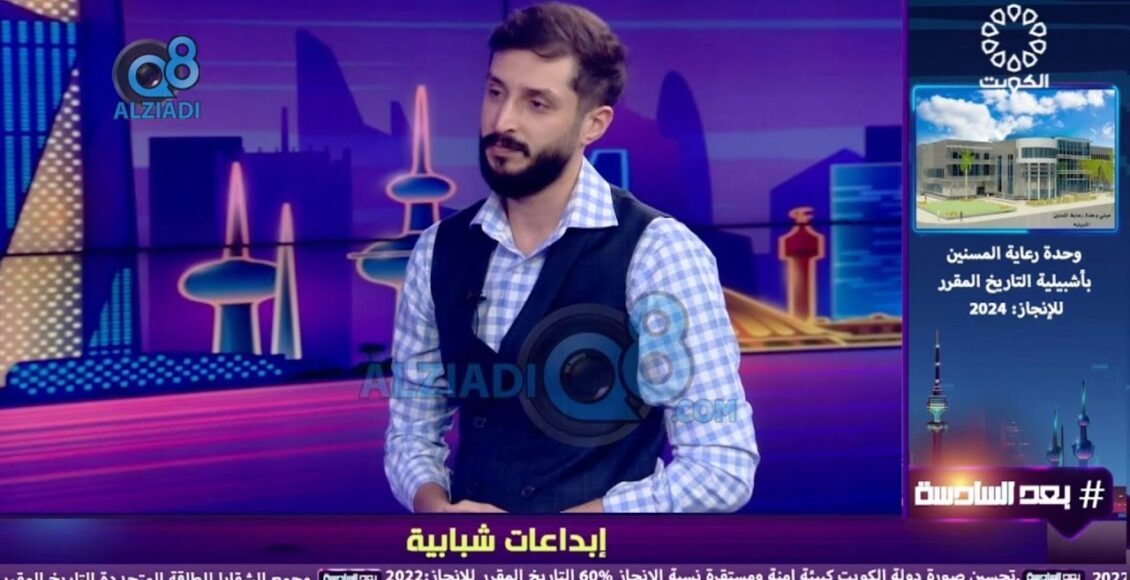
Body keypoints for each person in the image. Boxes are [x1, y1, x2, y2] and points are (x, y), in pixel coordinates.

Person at [384, 2, 759, 514]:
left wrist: (556, 535)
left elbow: (721, 468)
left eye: (536, 103)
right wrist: (438, 511)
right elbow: (410, 433)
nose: (502, 121)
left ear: (593, 124)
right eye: (495, 92)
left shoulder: (659, 252)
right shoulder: (437, 249)